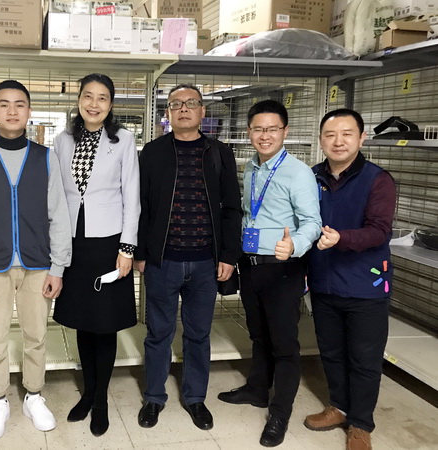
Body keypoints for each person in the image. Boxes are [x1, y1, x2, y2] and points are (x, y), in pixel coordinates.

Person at [0, 80, 72, 441]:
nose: (11, 110)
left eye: (19, 104)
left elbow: (59, 214)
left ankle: (33, 396)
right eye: (4, 104)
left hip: (38, 265)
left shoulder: (45, 157)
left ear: (28, 111)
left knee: (37, 335)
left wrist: (58, 267)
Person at [134, 84, 243, 431]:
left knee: (198, 334)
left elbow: (232, 208)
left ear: (202, 111)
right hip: (162, 261)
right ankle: (154, 397)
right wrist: (140, 253)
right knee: (158, 333)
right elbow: (141, 206)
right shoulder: (152, 153)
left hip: (206, 262)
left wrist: (228, 255)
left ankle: (195, 398)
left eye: (191, 103)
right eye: (176, 104)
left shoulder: (219, 153)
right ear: (168, 113)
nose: (183, 109)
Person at [217, 99, 321, 447]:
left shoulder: (298, 172)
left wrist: (295, 245)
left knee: (284, 345)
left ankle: (280, 412)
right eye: (258, 129)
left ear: (285, 131)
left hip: (283, 269)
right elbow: (250, 214)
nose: (265, 136)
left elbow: (312, 223)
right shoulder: (251, 167)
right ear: (249, 132)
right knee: (258, 335)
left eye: (272, 129)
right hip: (252, 267)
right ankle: (257, 389)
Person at [52, 73, 140, 437]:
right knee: (82, 322)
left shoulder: (123, 140)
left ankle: (101, 399)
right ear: (79, 100)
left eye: (102, 98)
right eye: (88, 96)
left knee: (105, 324)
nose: (94, 103)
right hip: (73, 241)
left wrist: (127, 248)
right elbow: (57, 194)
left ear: (111, 104)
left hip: (109, 242)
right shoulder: (62, 140)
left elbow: (132, 195)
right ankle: (88, 392)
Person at [304, 109, 396, 450]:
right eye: (330, 135)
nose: (338, 141)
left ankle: (361, 423)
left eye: (347, 134)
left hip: (365, 286)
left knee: (364, 358)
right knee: (331, 351)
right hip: (324, 282)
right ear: (321, 140)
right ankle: (339, 407)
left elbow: (379, 230)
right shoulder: (311, 177)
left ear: (361, 138)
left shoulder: (377, 180)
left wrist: (341, 238)